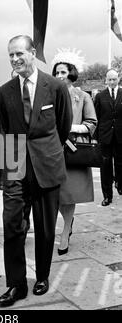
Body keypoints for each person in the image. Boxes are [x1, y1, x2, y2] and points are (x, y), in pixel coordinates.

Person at [0, 35, 72, 307]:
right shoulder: (4, 91)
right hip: (16, 168)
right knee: (13, 226)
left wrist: (47, 152)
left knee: (45, 228)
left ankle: (42, 276)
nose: (15, 59)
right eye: (10, 55)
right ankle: (16, 285)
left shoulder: (55, 87)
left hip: (47, 166)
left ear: (33, 52)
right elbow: (2, 129)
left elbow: (63, 126)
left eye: (19, 53)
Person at [51, 49, 97, 255]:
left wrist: (71, 127)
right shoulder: (48, 94)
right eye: (56, 73)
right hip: (50, 152)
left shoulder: (83, 96)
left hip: (72, 151)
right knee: (54, 194)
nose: (59, 76)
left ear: (71, 73)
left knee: (69, 194)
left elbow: (92, 123)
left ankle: (66, 230)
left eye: (63, 72)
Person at [94, 69, 122, 206]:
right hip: (105, 136)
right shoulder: (100, 96)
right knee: (105, 167)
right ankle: (107, 196)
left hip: (120, 136)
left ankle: (119, 182)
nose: (112, 82)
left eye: (114, 79)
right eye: (109, 79)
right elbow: (96, 118)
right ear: (106, 80)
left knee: (120, 163)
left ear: (118, 79)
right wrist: (95, 137)